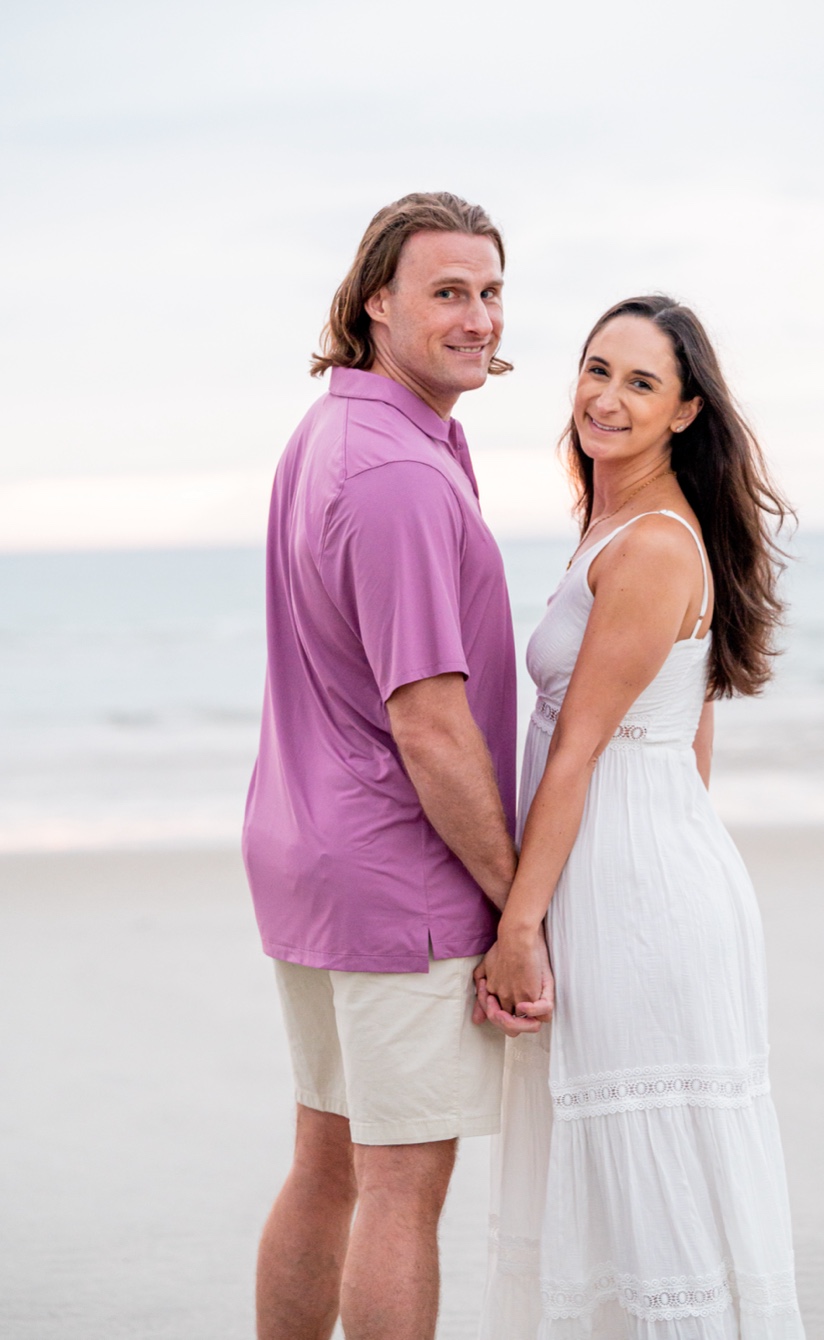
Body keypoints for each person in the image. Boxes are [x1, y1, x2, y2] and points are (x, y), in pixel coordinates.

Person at [477, 297, 804, 1337]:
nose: (606, 397)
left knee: (645, 1173)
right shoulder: (618, 524)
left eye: (640, 382)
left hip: (631, 886)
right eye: (595, 368)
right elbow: (690, 736)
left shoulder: (657, 545)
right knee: (615, 1177)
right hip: (637, 868)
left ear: (685, 411)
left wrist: (518, 925)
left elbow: (577, 747)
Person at [244, 192, 537, 1339]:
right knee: (399, 1187)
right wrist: (522, 901)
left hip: (310, 856)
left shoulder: (339, 429)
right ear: (376, 303)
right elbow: (429, 722)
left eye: (491, 290)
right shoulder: (396, 475)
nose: (479, 318)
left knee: (327, 1159)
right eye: (447, 292)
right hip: (395, 878)